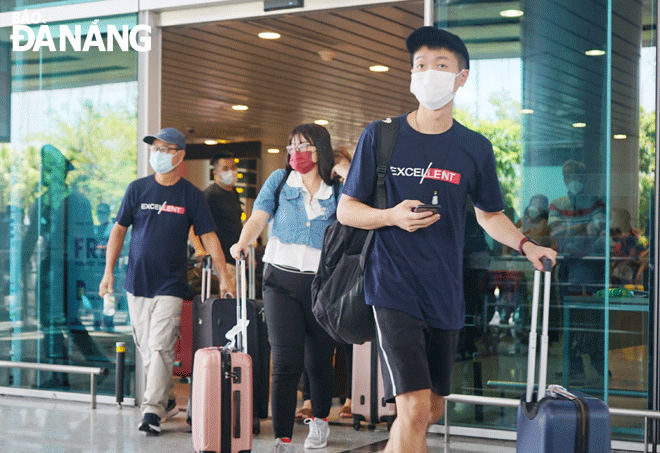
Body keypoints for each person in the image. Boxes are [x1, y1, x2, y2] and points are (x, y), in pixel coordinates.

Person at [336, 26, 557, 453]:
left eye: (441, 65)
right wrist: (390, 216)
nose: (429, 73)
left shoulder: (474, 148)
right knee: (415, 407)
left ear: (462, 77)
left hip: (445, 290)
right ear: (411, 75)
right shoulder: (380, 137)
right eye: (421, 65)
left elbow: (490, 215)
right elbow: (347, 209)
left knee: (431, 408)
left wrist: (528, 246)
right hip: (391, 285)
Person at [98, 127, 232, 436]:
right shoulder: (137, 189)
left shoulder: (190, 195)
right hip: (136, 283)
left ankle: (152, 411)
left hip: (171, 285)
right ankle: (169, 398)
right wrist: (108, 272)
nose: (157, 154)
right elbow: (118, 231)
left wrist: (224, 275)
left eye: (165, 148)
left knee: (159, 346)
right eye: (155, 148)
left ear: (180, 155)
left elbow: (209, 237)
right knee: (149, 349)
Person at [230, 124, 349, 453]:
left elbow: (361, 203)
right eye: (291, 146)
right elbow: (259, 215)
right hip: (279, 281)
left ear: (320, 151)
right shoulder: (280, 181)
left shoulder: (339, 189)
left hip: (322, 285)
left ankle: (320, 419)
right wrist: (243, 242)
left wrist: (343, 168)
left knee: (319, 361)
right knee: (284, 361)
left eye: (305, 147)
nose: (296, 153)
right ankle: (282, 438)